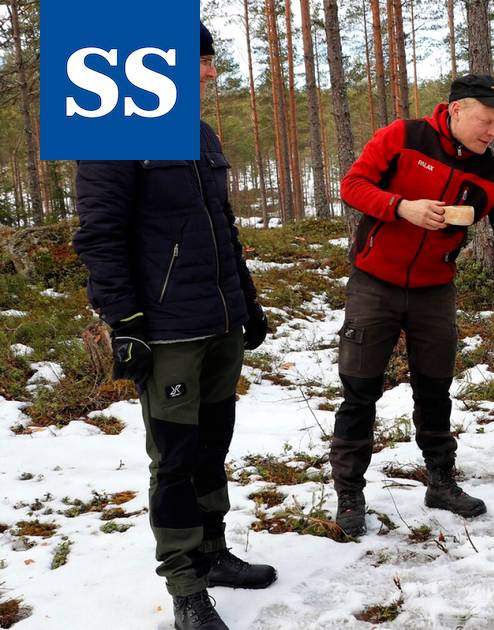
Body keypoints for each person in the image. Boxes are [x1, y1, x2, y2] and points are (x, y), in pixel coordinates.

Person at [72, 24, 276, 630]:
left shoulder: (200, 134)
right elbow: (98, 237)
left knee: (213, 443)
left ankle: (212, 552)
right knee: (176, 455)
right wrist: (125, 320)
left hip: (220, 324)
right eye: (202, 61)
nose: (211, 74)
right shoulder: (114, 134)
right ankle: (185, 583)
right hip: (167, 332)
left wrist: (247, 300)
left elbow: (223, 226)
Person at [332, 73, 494, 534]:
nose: (492, 132)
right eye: (485, 121)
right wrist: (400, 207)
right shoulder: (403, 137)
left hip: (434, 290)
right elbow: (353, 185)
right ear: (455, 110)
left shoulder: (490, 174)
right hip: (374, 284)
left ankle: (441, 481)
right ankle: (349, 495)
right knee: (360, 391)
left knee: (435, 390)